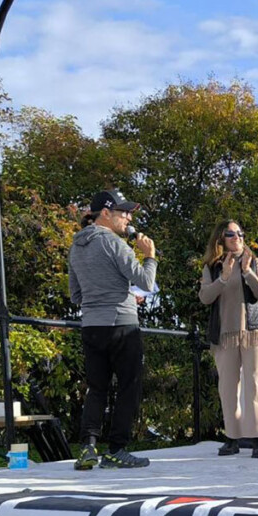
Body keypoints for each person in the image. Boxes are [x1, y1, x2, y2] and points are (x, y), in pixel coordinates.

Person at [69, 189, 156, 470]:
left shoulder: (76, 245)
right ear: (105, 214)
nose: (128, 218)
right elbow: (145, 281)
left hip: (92, 325)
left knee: (97, 388)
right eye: (123, 212)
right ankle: (117, 450)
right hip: (121, 325)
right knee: (129, 387)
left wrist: (112, 294)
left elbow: (76, 295)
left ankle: (88, 448)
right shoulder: (115, 244)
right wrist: (150, 255)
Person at [198, 220, 258, 459]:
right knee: (228, 386)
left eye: (240, 233)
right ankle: (232, 438)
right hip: (225, 334)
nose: (237, 237)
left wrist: (247, 272)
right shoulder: (212, 266)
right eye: (230, 234)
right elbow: (205, 297)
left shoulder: (255, 261)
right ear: (220, 238)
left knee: (256, 384)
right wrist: (224, 277)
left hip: (254, 331)